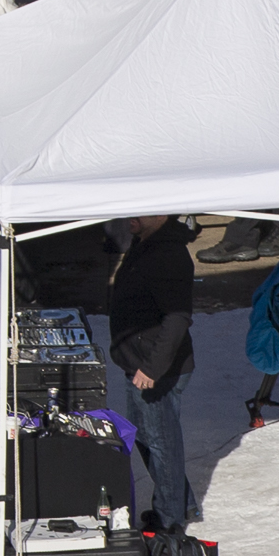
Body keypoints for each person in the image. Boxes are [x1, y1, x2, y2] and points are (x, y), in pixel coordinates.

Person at [104, 216, 197, 537]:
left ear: (160, 214)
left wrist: (153, 368)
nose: (130, 217)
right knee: (146, 438)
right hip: (139, 365)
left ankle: (170, 520)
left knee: (161, 444)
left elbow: (177, 318)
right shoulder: (146, 243)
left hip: (156, 371)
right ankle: (180, 504)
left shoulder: (168, 253)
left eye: (140, 211)